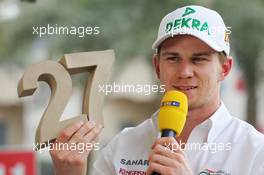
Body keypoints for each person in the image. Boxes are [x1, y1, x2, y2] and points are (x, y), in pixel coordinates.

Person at [50, 5, 264, 175]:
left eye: (199, 59)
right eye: (173, 58)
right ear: (157, 66)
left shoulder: (255, 150)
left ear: (225, 68)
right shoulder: (123, 145)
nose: (185, 72)